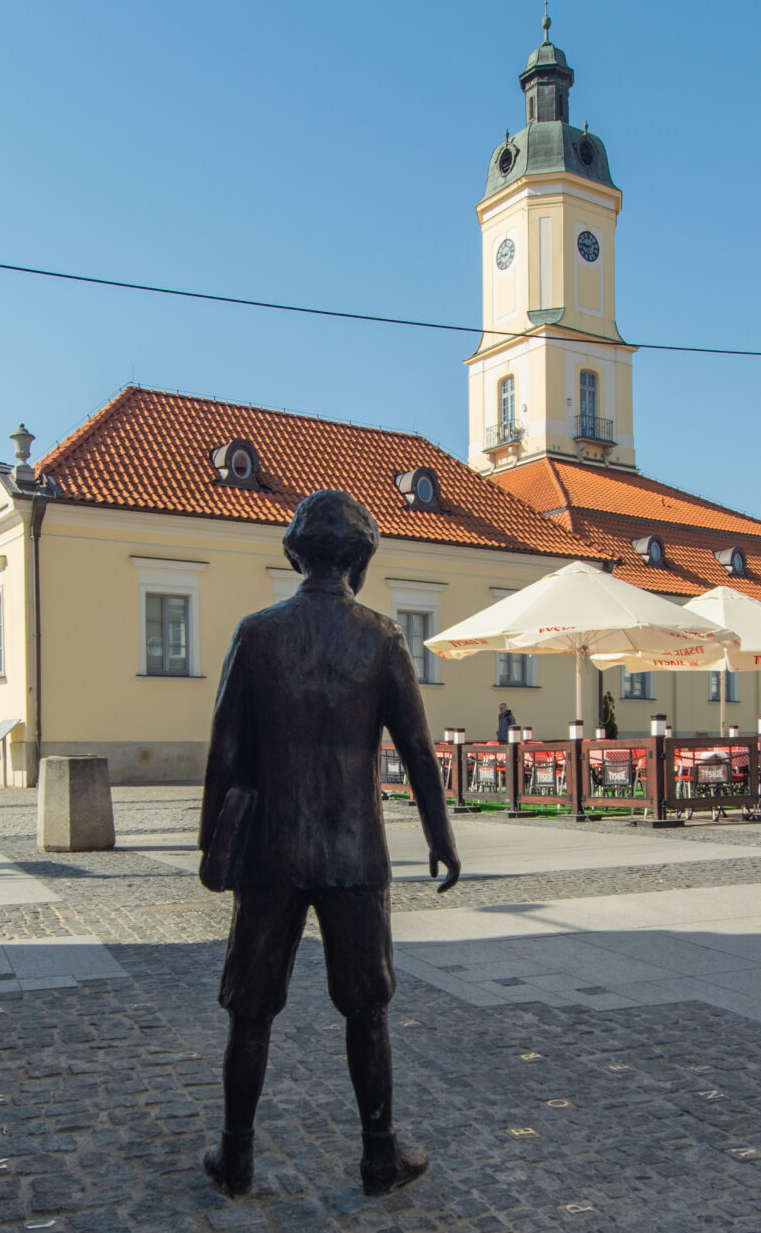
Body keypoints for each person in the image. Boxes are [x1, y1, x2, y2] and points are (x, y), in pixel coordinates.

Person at [198, 490, 460, 1200]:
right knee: (366, 1008)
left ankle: (236, 1155)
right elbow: (418, 750)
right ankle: (379, 1156)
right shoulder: (381, 637)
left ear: (297, 554)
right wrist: (441, 837)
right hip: (353, 854)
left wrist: (209, 848)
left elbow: (223, 755)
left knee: (250, 1008)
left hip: (270, 853)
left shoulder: (255, 634)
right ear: (359, 558)